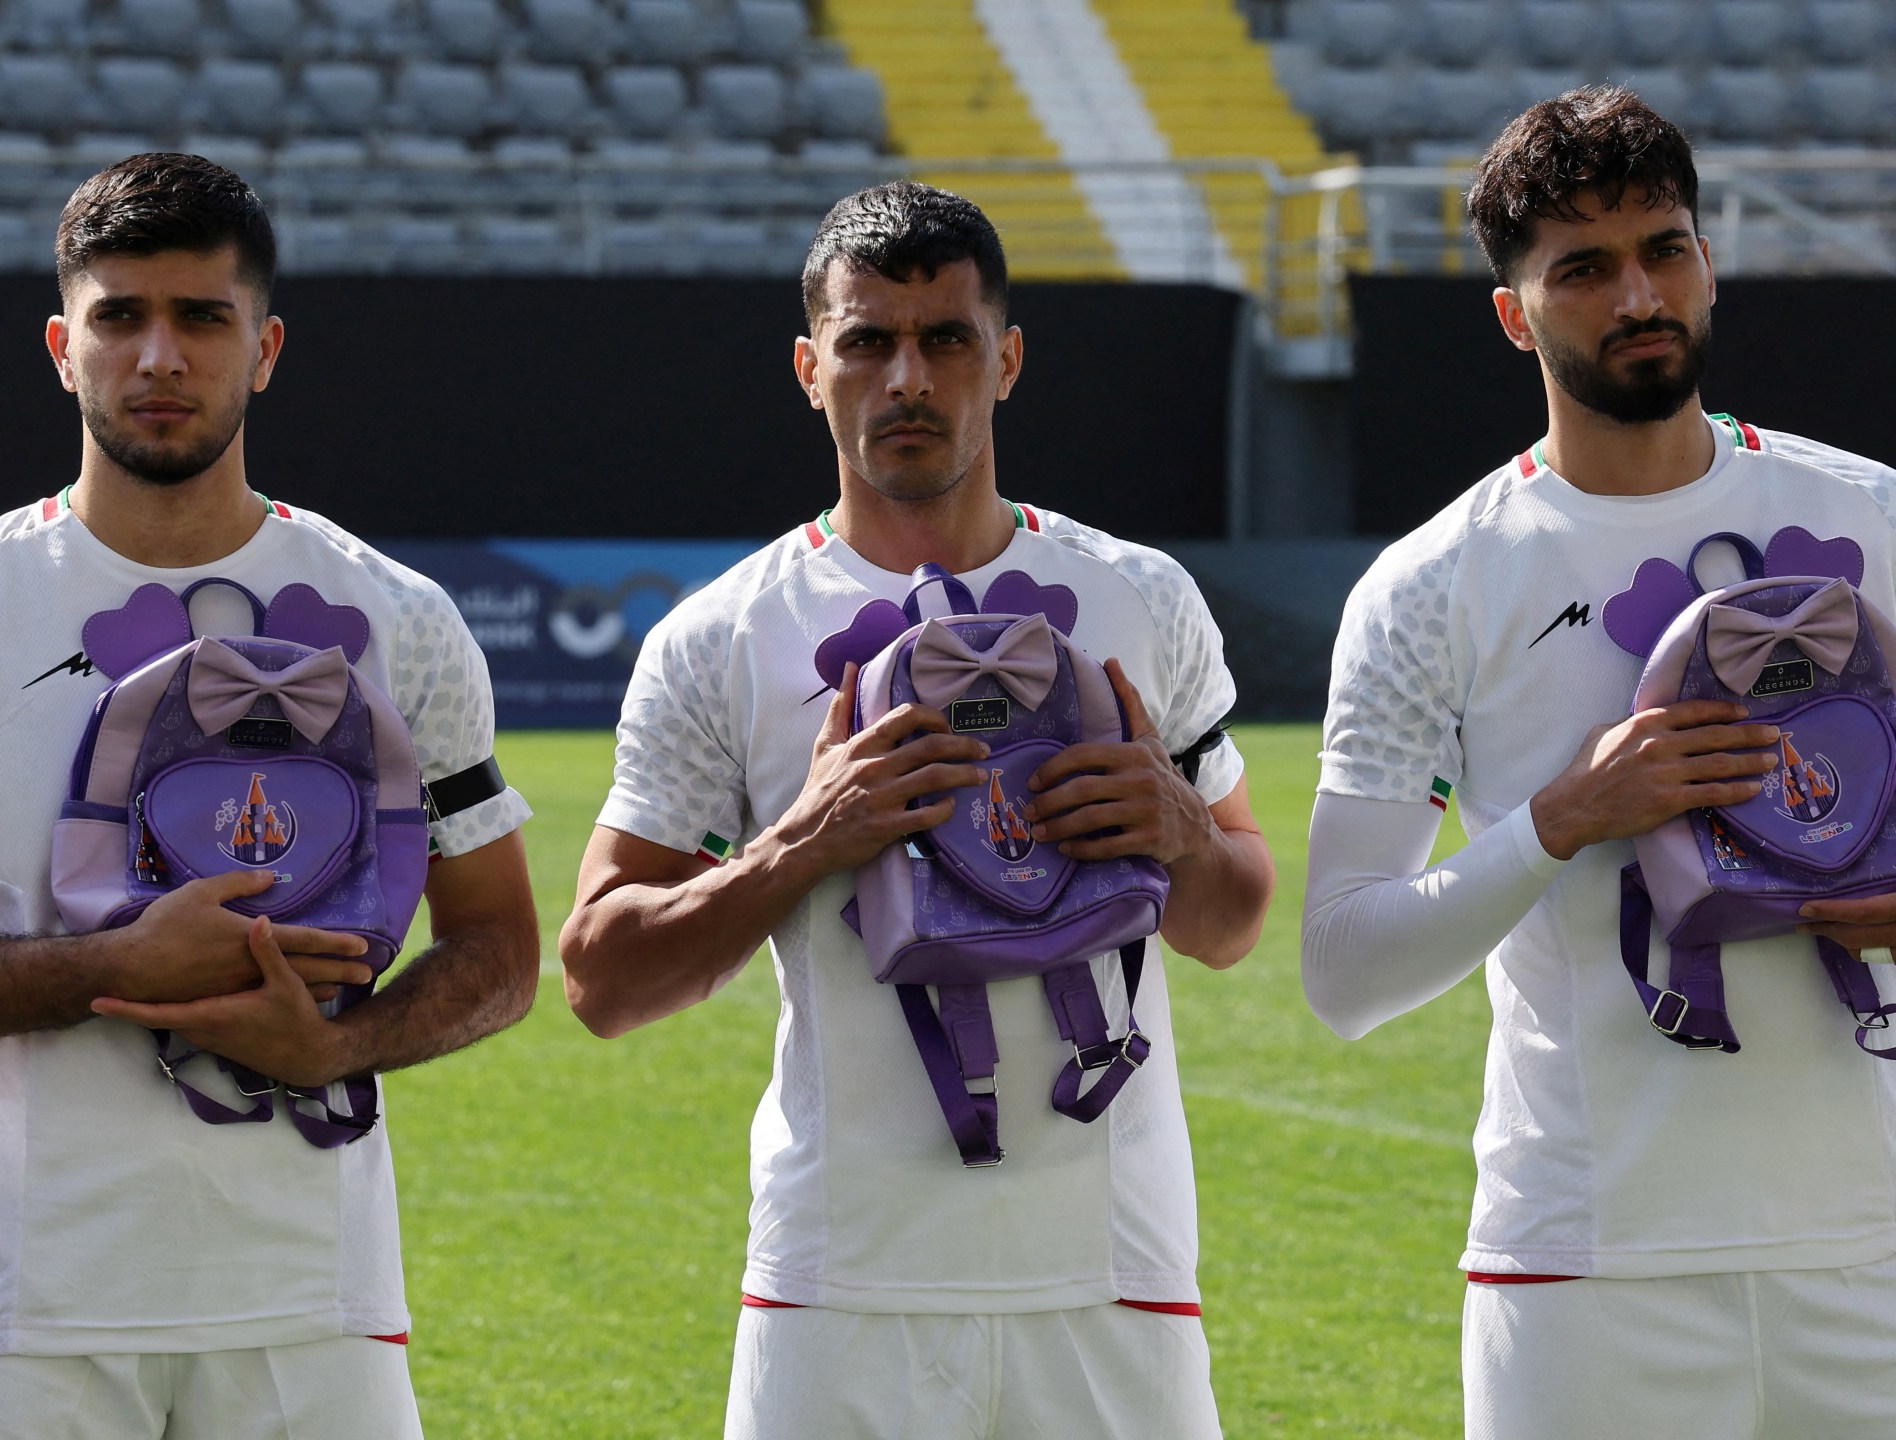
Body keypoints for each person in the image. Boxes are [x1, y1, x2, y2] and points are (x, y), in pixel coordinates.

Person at [560, 180, 1274, 1439]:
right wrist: (800, 844)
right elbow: (602, 978)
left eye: (945, 340)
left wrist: (1177, 831)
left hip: (1109, 1272)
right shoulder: (719, 635)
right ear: (809, 365)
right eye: (867, 340)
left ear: (1004, 360)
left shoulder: (1137, 596)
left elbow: (1235, 918)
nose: (907, 378)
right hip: (839, 1281)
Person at [1303, 87, 1896, 1439]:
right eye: (1582, 268)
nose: (1638, 293)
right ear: (1516, 313)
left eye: (1664, 250)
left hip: (1873, 1255)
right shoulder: (1430, 588)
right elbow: (1342, 970)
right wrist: (1561, 820)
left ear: (1706, 257)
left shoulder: (1870, 513)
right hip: (1583, 1266)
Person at [0, 153, 539, 1438]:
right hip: (25, 1311)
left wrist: (341, 1045)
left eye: (202, 318)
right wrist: (109, 966)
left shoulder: (399, 615)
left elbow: (503, 950)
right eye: (120, 317)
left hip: (310, 1310)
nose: (159, 357)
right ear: (64, 346)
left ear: (265, 346)